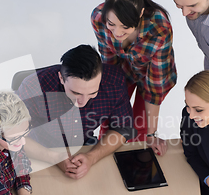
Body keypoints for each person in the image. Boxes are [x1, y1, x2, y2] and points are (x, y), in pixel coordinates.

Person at [16, 45, 135, 180]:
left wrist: (92, 157)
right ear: (61, 78)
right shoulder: (32, 87)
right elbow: (13, 135)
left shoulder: (114, 81)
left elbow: (123, 128)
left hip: (85, 148)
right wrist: (54, 157)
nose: (82, 102)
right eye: (75, 93)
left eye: (92, 93)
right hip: (40, 153)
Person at [91, 0, 177, 156]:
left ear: (141, 13)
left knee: (139, 129)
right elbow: (109, 64)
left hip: (153, 75)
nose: (117, 32)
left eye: (126, 26)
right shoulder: (98, 18)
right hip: (123, 69)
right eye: (111, 24)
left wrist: (152, 134)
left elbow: (154, 87)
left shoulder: (159, 27)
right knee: (109, 126)